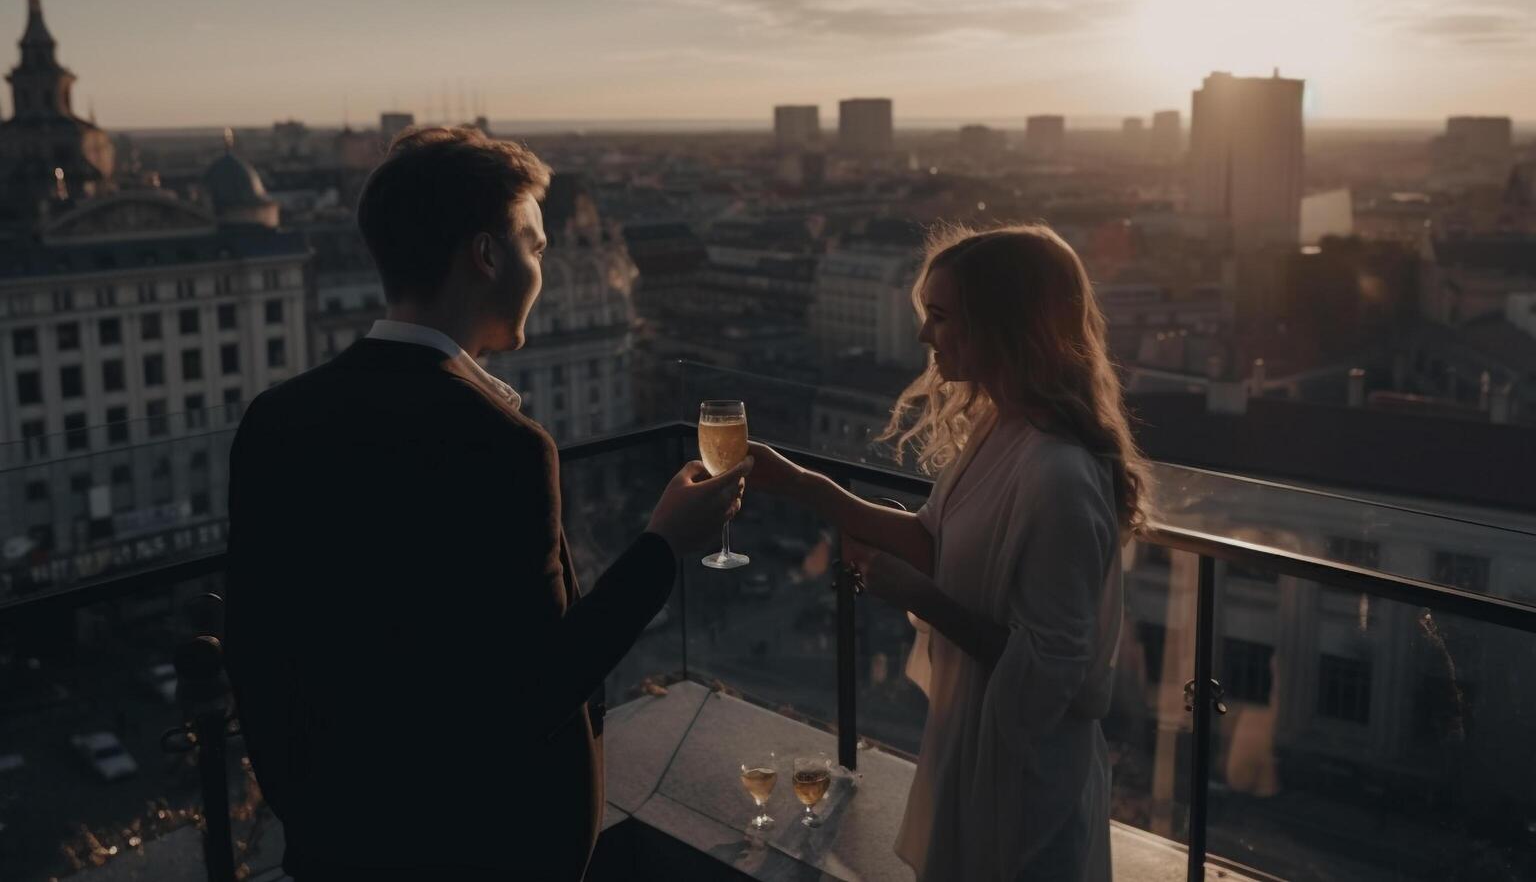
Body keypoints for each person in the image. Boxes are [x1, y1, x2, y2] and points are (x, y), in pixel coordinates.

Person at [224, 126, 748, 881]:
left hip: (336, 847)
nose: (540, 267)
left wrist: (318, 819)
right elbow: (537, 684)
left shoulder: (277, 418)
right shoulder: (495, 442)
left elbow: (257, 653)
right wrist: (663, 545)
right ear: (486, 255)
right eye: (535, 246)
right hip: (485, 851)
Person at [748, 224, 1147, 881]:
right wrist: (800, 483)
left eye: (938, 316)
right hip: (978, 746)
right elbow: (933, 536)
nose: (923, 335)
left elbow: (1055, 671)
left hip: (1025, 783)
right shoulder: (1003, 426)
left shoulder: (1058, 475)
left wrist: (918, 596)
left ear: (1000, 325)